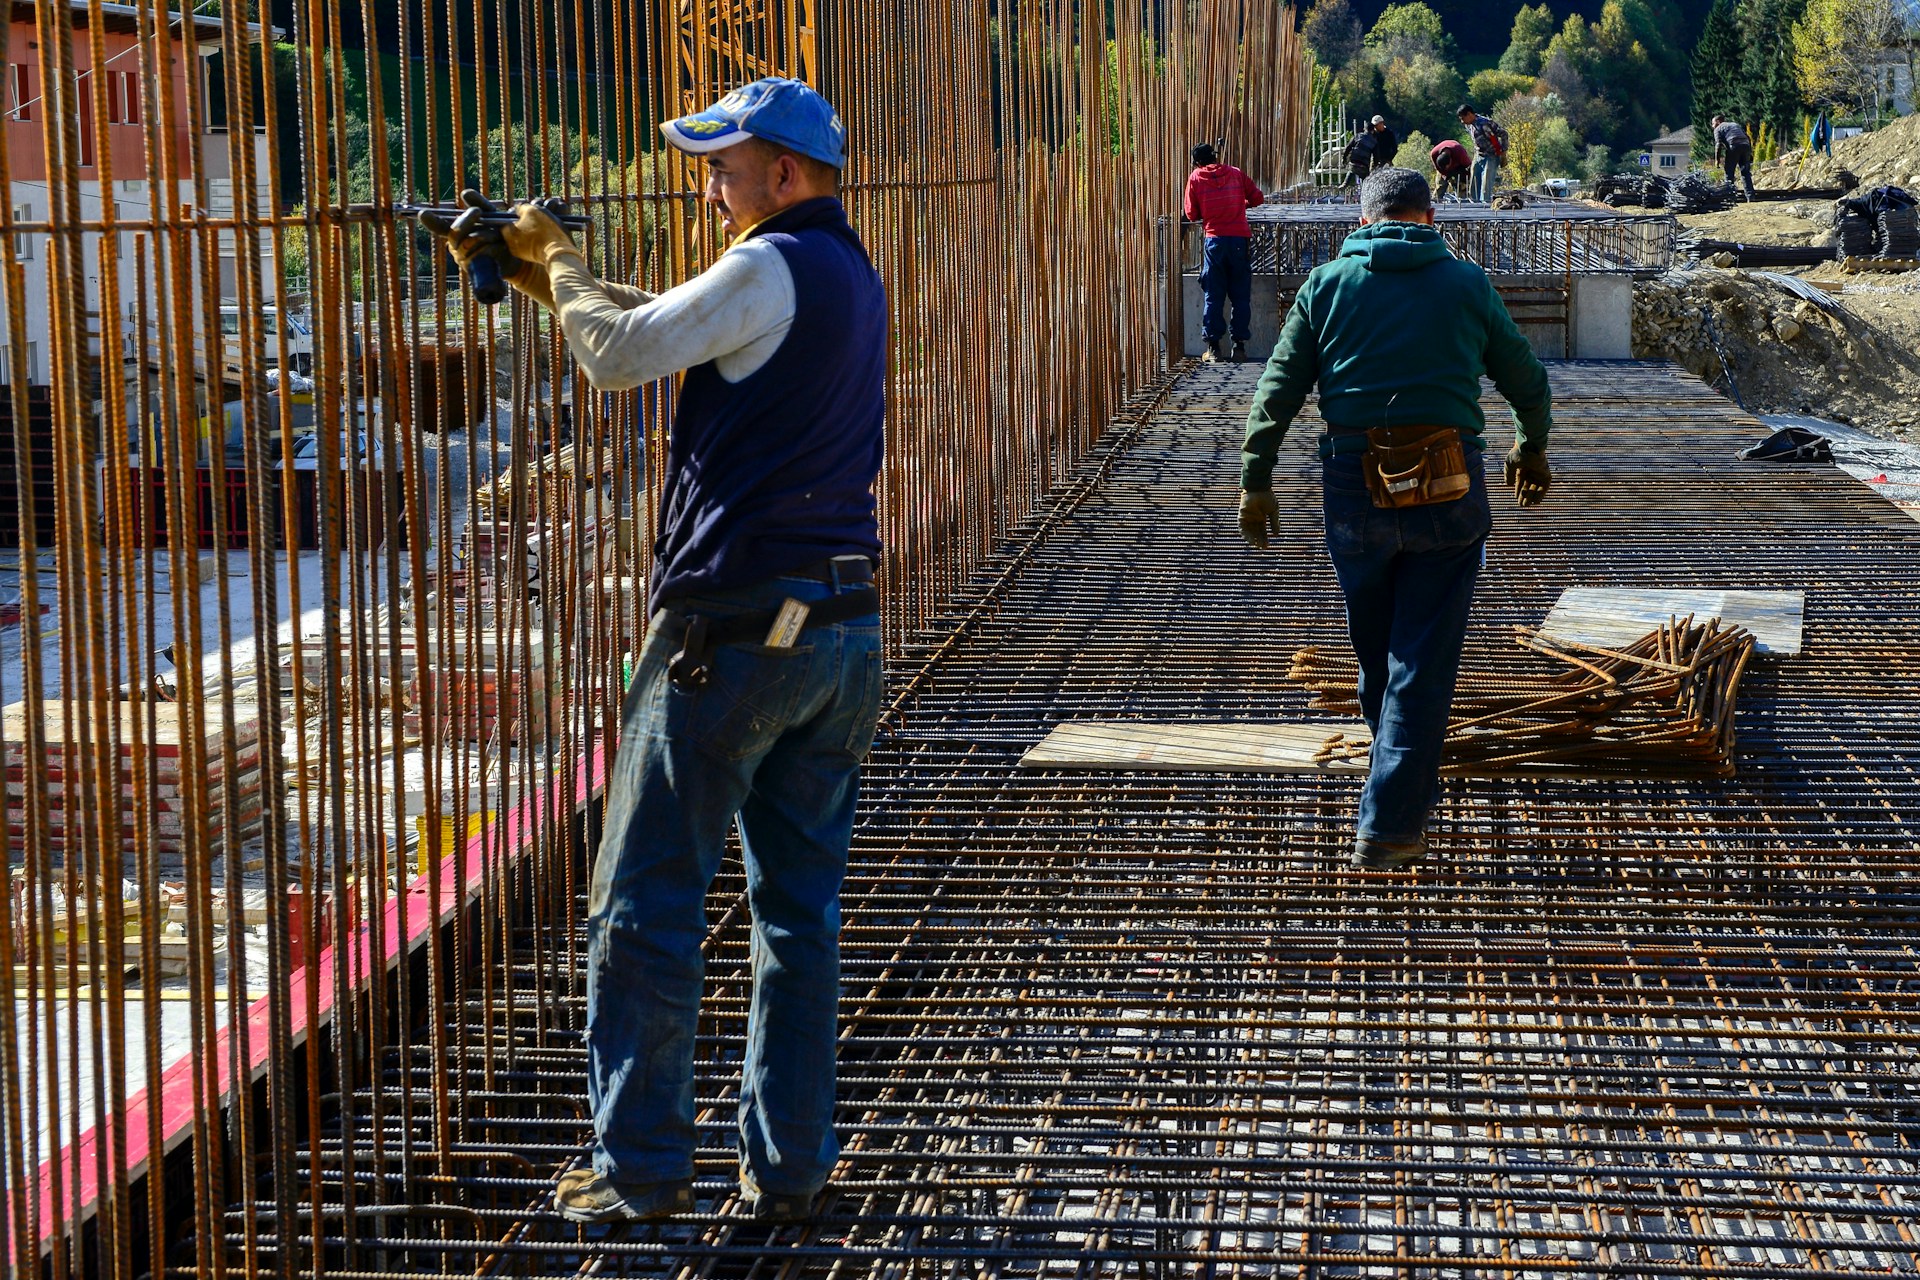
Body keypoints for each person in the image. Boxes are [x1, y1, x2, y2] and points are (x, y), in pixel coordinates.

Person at [437, 77, 886, 1225]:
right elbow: (674, 321)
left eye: (721, 169)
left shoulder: (768, 260)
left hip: (729, 641)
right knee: (799, 917)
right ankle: (789, 1168)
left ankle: (637, 1166)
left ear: (783, 175)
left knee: (644, 899)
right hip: (838, 637)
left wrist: (562, 270)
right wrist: (545, 274)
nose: (706, 188)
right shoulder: (845, 271)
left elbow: (623, 353)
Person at [1236, 168, 1552, 871]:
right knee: (1421, 659)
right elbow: (1526, 377)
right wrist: (1531, 444)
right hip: (1447, 482)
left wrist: (1256, 478)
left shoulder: (1325, 285)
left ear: (1361, 222)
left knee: (1379, 653)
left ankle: (1396, 781)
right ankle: (1391, 819)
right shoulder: (1466, 283)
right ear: (1430, 218)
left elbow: (1278, 387)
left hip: (1354, 487)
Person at [1183, 141, 1265, 362]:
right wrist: (1239, 205)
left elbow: (1191, 214)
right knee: (1240, 296)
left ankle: (1213, 348)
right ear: (1215, 157)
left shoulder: (1196, 177)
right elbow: (1258, 198)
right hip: (1239, 239)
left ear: (1197, 162)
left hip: (1214, 241)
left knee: (1214, 295)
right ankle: (1239, 347)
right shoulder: (1236, 173)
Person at [1457, 104, 1507, 202]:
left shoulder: (1485, 124)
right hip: (1478, 155)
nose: (1462, 122)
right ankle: (1474, 206)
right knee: (1474, 183)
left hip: (1491, 156)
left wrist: (1503, 152)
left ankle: (1485, 209)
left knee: (1486, 186)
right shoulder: (1469, 125)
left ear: (1469, 114)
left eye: (1463, 118)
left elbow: (1503, 133)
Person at [1713, 114, 1757, 199]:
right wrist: (1749, 152)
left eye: (1713, 123)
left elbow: (1718, 145)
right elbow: (1747, 137)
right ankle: (1751, 197)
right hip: (1745, 145)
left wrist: (1717, 161)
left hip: (1734, 145)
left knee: (1729, 173)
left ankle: (1730, 197)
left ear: (1718, 122)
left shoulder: (1718, 129)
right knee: (1745, 173)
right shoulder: (1734, 124)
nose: (1712, 126)